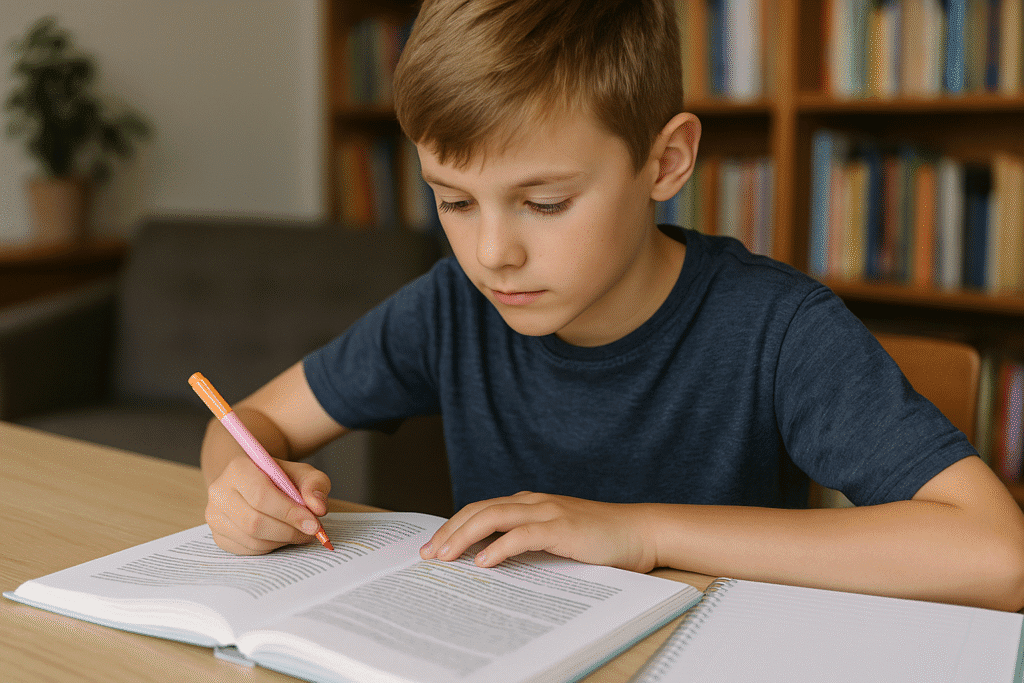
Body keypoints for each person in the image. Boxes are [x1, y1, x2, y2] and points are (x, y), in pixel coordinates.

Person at [200, 0, 1024, 610]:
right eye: (454, 201)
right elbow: (247, 424)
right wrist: (243, 486)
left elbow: (999, 555)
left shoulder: (776, 327)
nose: (492, 252)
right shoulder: (452, 307)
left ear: (665, 162)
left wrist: (642, 531)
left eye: (545, 202)